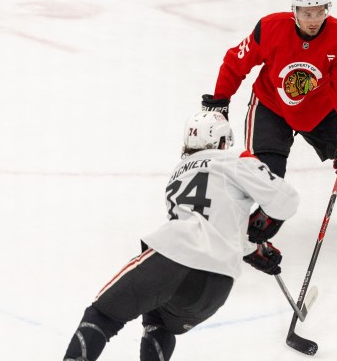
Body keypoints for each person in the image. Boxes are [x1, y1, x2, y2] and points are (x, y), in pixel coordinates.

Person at [63, 111, 299, 361]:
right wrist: (257, 237)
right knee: (159, 322)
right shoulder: (234, 160)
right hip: (217, 285)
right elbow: (284, 202)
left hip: (174, 262)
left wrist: (251, 245)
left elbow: (201, 228)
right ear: (221, 141)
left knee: (103, 314)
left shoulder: (178, 174)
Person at [201, 0, 337, 226]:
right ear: (294, 10)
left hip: (320, 111)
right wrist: (220, 99)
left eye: (319, 12)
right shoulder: (269, 28)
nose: (313, 20)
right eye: (306, 13)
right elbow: (235, 62)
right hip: (271, 105)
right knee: (265, 174)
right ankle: (240, 225)